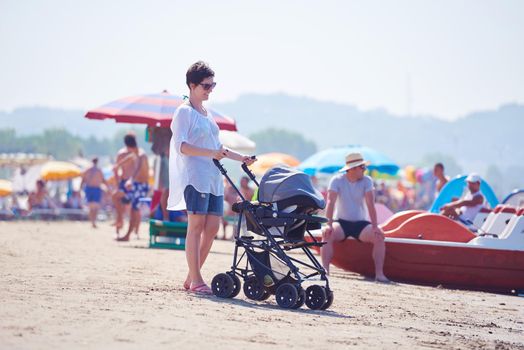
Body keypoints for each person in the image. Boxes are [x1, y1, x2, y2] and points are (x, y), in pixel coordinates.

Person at [168, 61, 256, 295]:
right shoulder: (184, 112)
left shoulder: (207, 114)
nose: (210, 89)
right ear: (192, 85)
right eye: (206, 85)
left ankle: (191, 276)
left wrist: (242, 158)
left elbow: (218, 146)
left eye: (212, 84)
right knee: (195, 227)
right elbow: (182, 147)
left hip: (214, 178)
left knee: (212, 228)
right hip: (195, 177)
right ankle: (196, 279)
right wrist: (211, 154)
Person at [321, 152, 389, 282]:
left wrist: (375, 227)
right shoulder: (337, 180)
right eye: (362, 167)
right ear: (352, 169)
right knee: (327, 234)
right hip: (341, 222)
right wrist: (328, 224)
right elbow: (330, 203)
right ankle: (325, 270)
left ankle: (379, 274)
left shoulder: (367, 181)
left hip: (361, 224)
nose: (365, 169)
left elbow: (370, 204)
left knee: (379, 236)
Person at [115, 135, 150, 241]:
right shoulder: (136, 153)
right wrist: (118, 164)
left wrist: (131, 179)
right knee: (116, 196)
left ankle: (127, 235)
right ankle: (120, 219)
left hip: (141, 186)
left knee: (134, 210)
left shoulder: (141, 155)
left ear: (128, 146)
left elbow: (138, 168)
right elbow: (129, 157)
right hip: (136, 185)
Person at [112, 133, 138, 233]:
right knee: (133, 208)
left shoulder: (122, 153)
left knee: (120, 203)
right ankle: (133, 230)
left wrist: (118, 182)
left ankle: (120, 224)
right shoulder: (136, 153)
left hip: (126, 182)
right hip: (131, 182)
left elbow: (115, 169)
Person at [81, 157, 107, 228]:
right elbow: (103, 180)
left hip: (90, 188)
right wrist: (108, 187)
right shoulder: (99, 170)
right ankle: (93, 221)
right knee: (95, 206)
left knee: (91, 206)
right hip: (95, 189)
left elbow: (83, 179)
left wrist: (80, 187)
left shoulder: (88, 169)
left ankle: (92, 221)